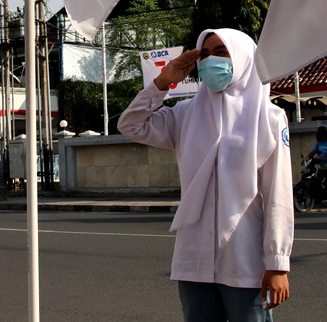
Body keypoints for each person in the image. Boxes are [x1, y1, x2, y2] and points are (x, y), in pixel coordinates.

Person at [118, 29, 294, 322]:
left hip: (244, 259)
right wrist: (163, 81)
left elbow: (279, 195)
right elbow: (131, 125)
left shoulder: (269, 118)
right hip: (194, 258)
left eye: (221, 52)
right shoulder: (185, 113)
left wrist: (277, 263)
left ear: (243, 58)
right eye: (206, 54)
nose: (211, 60)